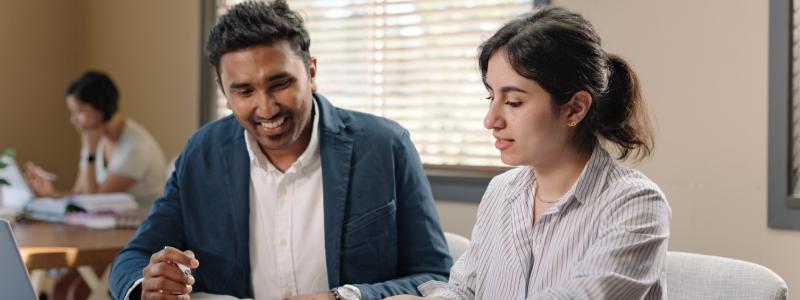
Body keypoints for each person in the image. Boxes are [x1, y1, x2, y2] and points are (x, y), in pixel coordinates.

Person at [109, 1, 452, 299]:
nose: (267, 108)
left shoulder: (384, 146)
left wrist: (346, 298)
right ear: (223, 91)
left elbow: (436, 279)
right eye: (244, 91)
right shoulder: (202, 153)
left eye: (281, 83)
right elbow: (133, 256)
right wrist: (146, 284)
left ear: (311, 71)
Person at [388, 6, 671, 300]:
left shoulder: (636, 204)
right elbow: (465, 289)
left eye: (512, 102)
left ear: (575, 108)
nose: (490, 120)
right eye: (491, 96)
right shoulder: (502, 191)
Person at [25, 70, 167, 208]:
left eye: (79, 111)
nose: (73, 119)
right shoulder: (96, 137)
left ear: (100, 107)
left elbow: (94, 200)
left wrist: (90, 152)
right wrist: (51, 193)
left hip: (138, 226)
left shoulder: (136, 147)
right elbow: (79, 194)